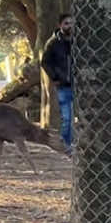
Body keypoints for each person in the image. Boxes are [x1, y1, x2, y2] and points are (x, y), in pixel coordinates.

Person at [40, 13, 74, 151]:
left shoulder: (78, 41)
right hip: (64, 86)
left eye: (71, 23)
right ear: (60, 25)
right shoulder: (53, 43)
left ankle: (77, 142)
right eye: (66, 23)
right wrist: (55, 78)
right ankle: (67, 145)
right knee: (67, 117)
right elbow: (45, 62)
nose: (70, 26)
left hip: (81, 85)